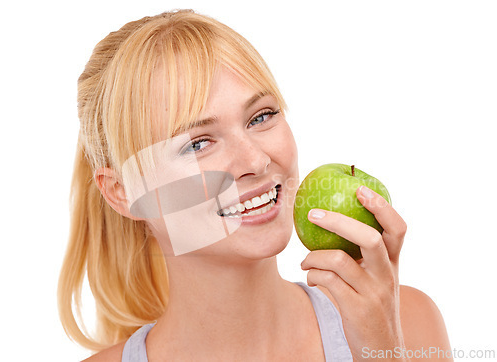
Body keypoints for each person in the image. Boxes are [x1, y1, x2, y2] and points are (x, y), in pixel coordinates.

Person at [58, 9, 452, 361]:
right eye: (198, 143)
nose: (256, 160)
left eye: (260, 117)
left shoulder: (406, 327)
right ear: (123, 192)